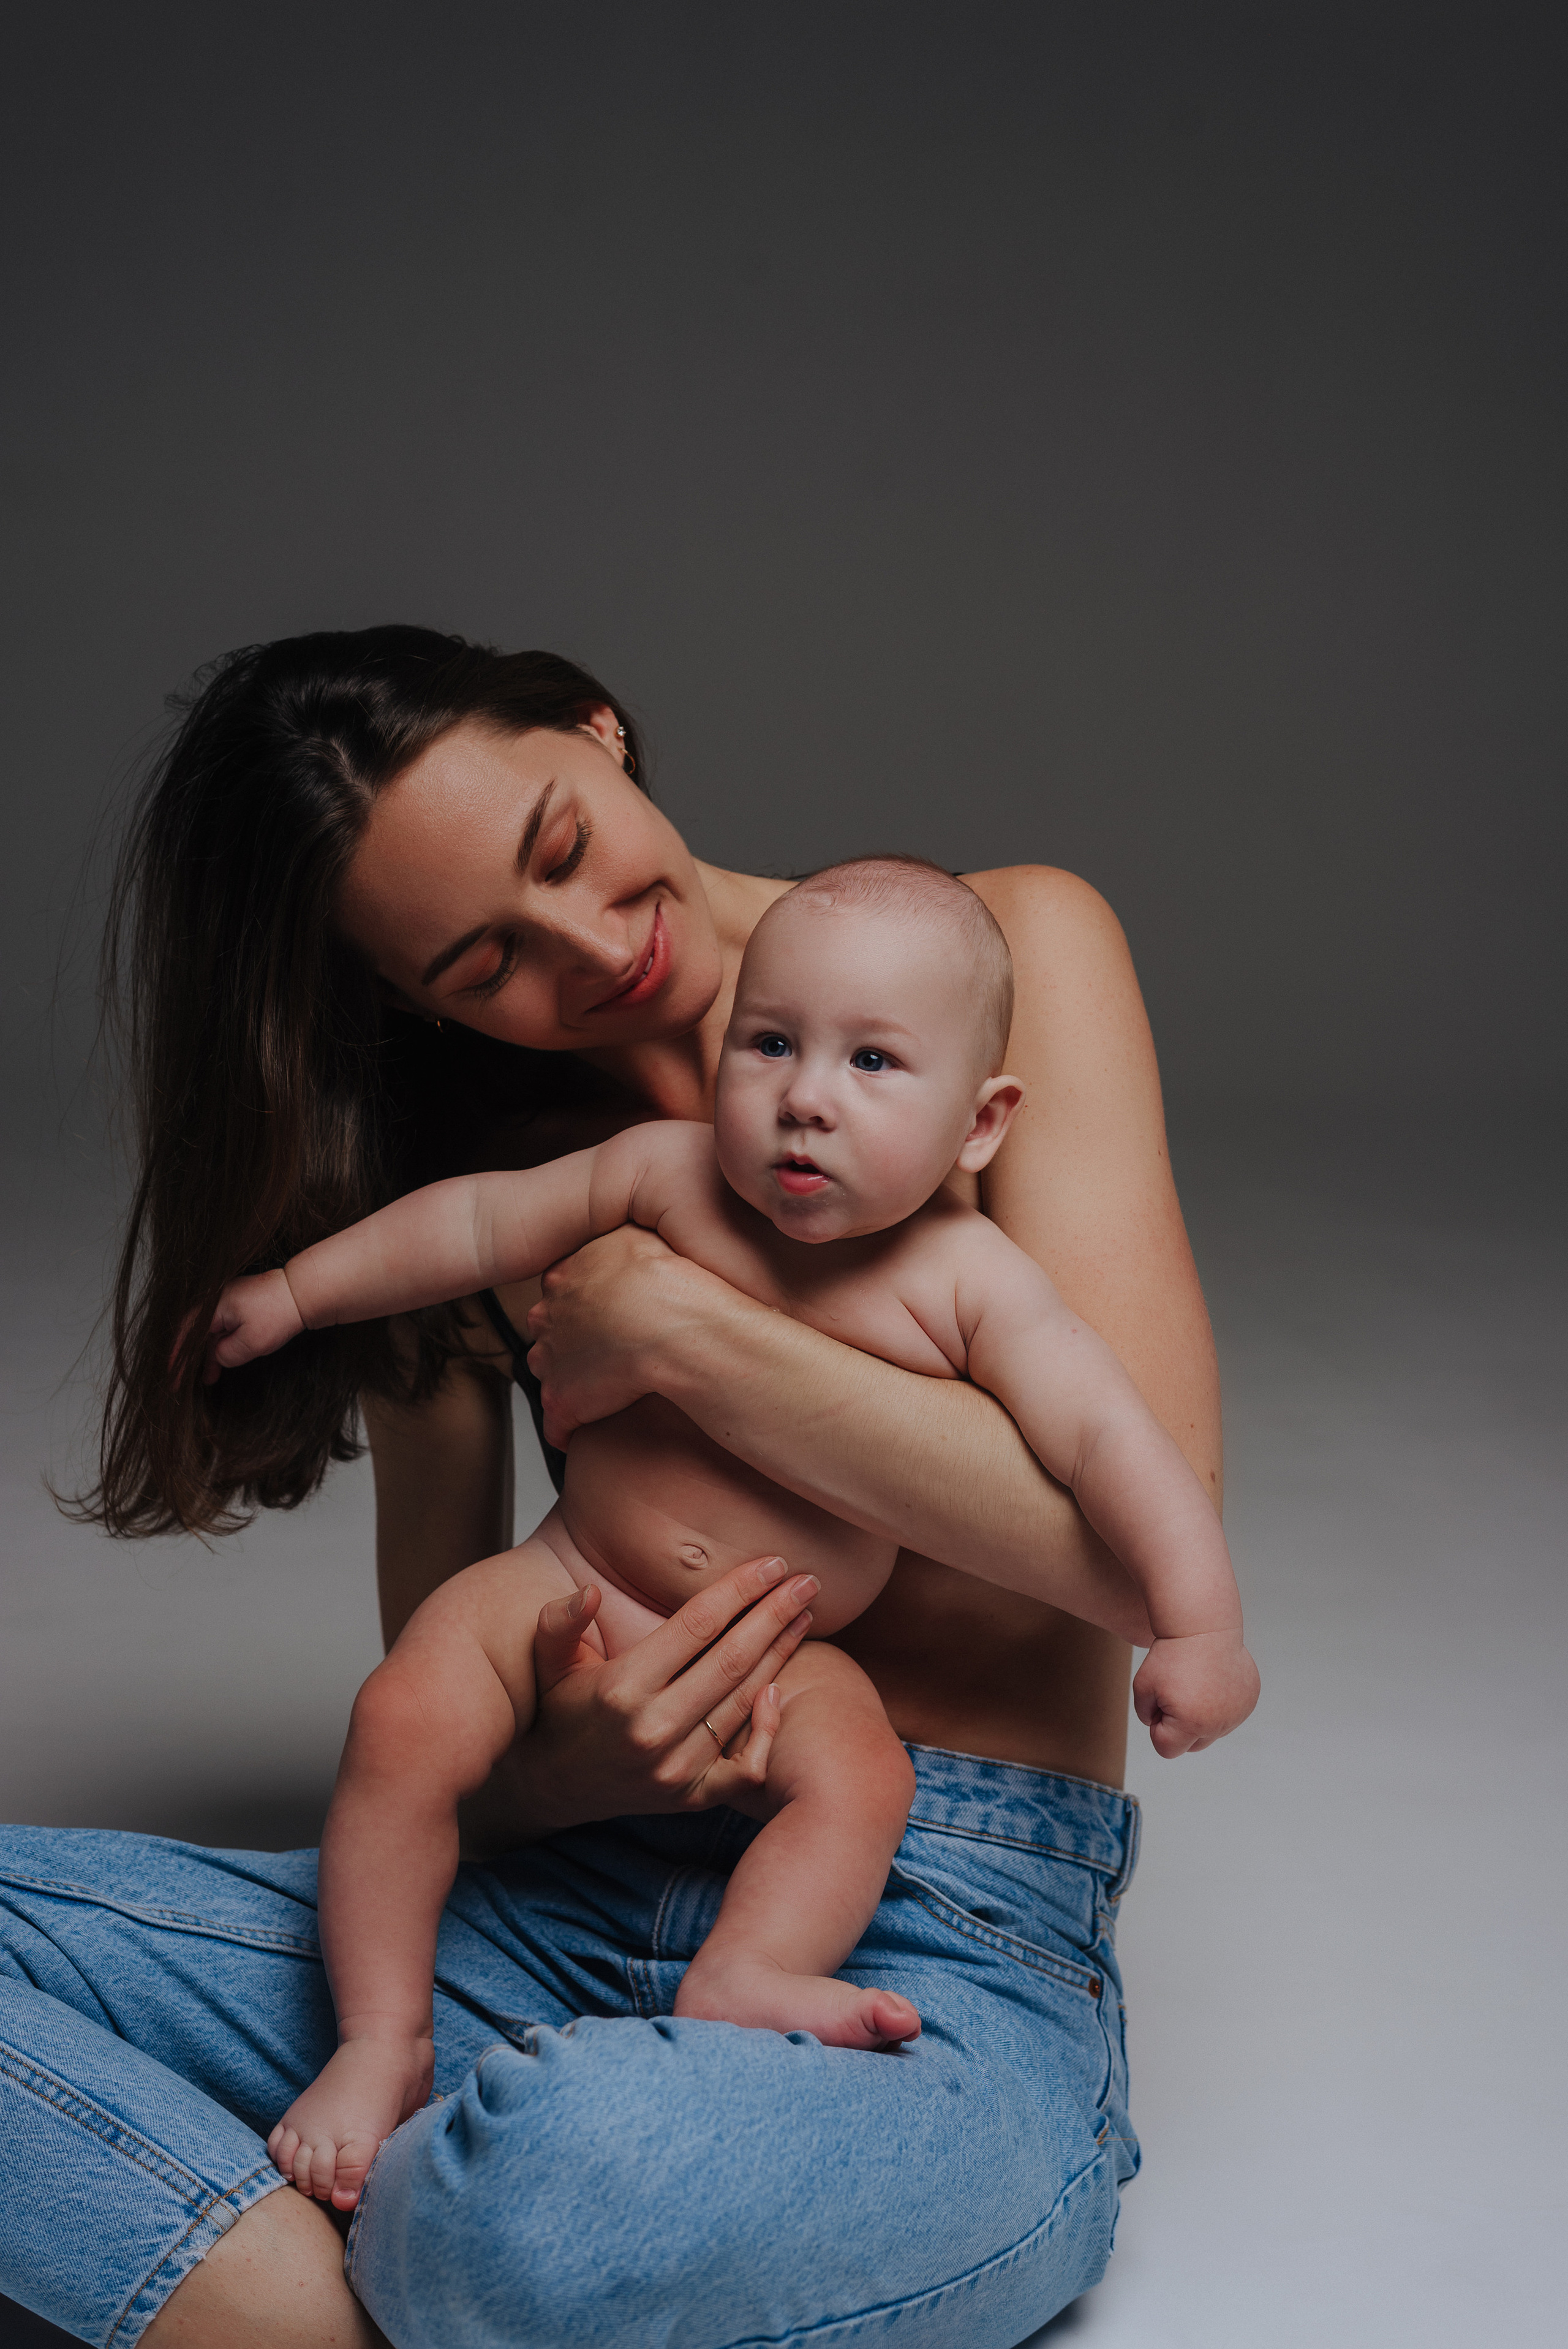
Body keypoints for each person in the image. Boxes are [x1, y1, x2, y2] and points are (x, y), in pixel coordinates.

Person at [0, 629, 1226, 2349]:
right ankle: (302, 2299)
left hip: (926, 1942)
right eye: (485, 957)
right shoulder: (474, 1178)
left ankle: (432, 2249)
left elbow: (1130, 1546)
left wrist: (674, 1327)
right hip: (543, 1904)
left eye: (564, 846)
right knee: (496, 2194)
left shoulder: (996, 958)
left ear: (597, 725)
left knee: (547, 2200)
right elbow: (439, 1719)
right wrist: (555, 1775)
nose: (586, 949)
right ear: (413, 999)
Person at [202, 857, 1256, 2208]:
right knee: (402, 1713)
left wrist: (1200, 1622)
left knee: (859, 1778)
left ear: (981, 1123)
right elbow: (471, 1223)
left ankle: (747, 1967)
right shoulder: (661, 1178)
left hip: (786, 1650)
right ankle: (377, 2038)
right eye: (769, 1045)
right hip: (564, 1587)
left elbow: (1114, 1447)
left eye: (874, 1063)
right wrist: (298, 1294)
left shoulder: (969, 1284)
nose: (804, 1098)